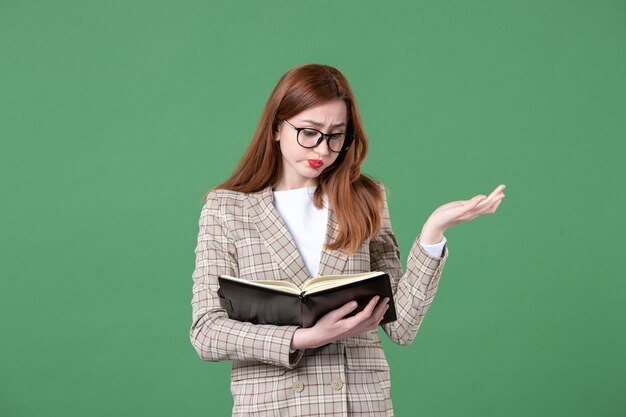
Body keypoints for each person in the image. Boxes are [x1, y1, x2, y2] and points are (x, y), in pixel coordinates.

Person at [190, 63, 505, 417]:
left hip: (359, 405)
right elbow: (206, 331)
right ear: (277, 127)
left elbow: (400, 326)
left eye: (336, 135)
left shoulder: (366, 198)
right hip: (273, 406)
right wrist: (303, 338)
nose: (322, 150)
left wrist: (433, 232)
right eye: (309, 132)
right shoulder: (227, 209)